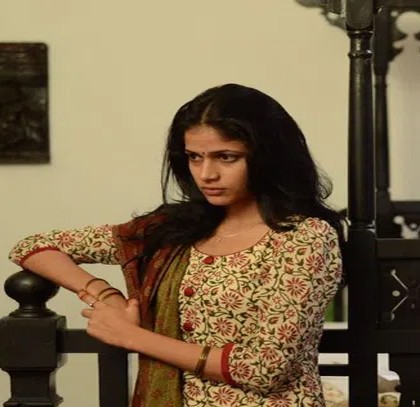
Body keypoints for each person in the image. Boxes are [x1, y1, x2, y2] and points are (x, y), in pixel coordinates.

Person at [8, 83, 344, 407]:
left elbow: (264, 369)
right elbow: (33, 247)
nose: (206, 174)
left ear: (268, 157)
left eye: (226, 157)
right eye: (194, 157)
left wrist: (130, 336)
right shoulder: (173, 231)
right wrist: (105, 296)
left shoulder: (304, 238)